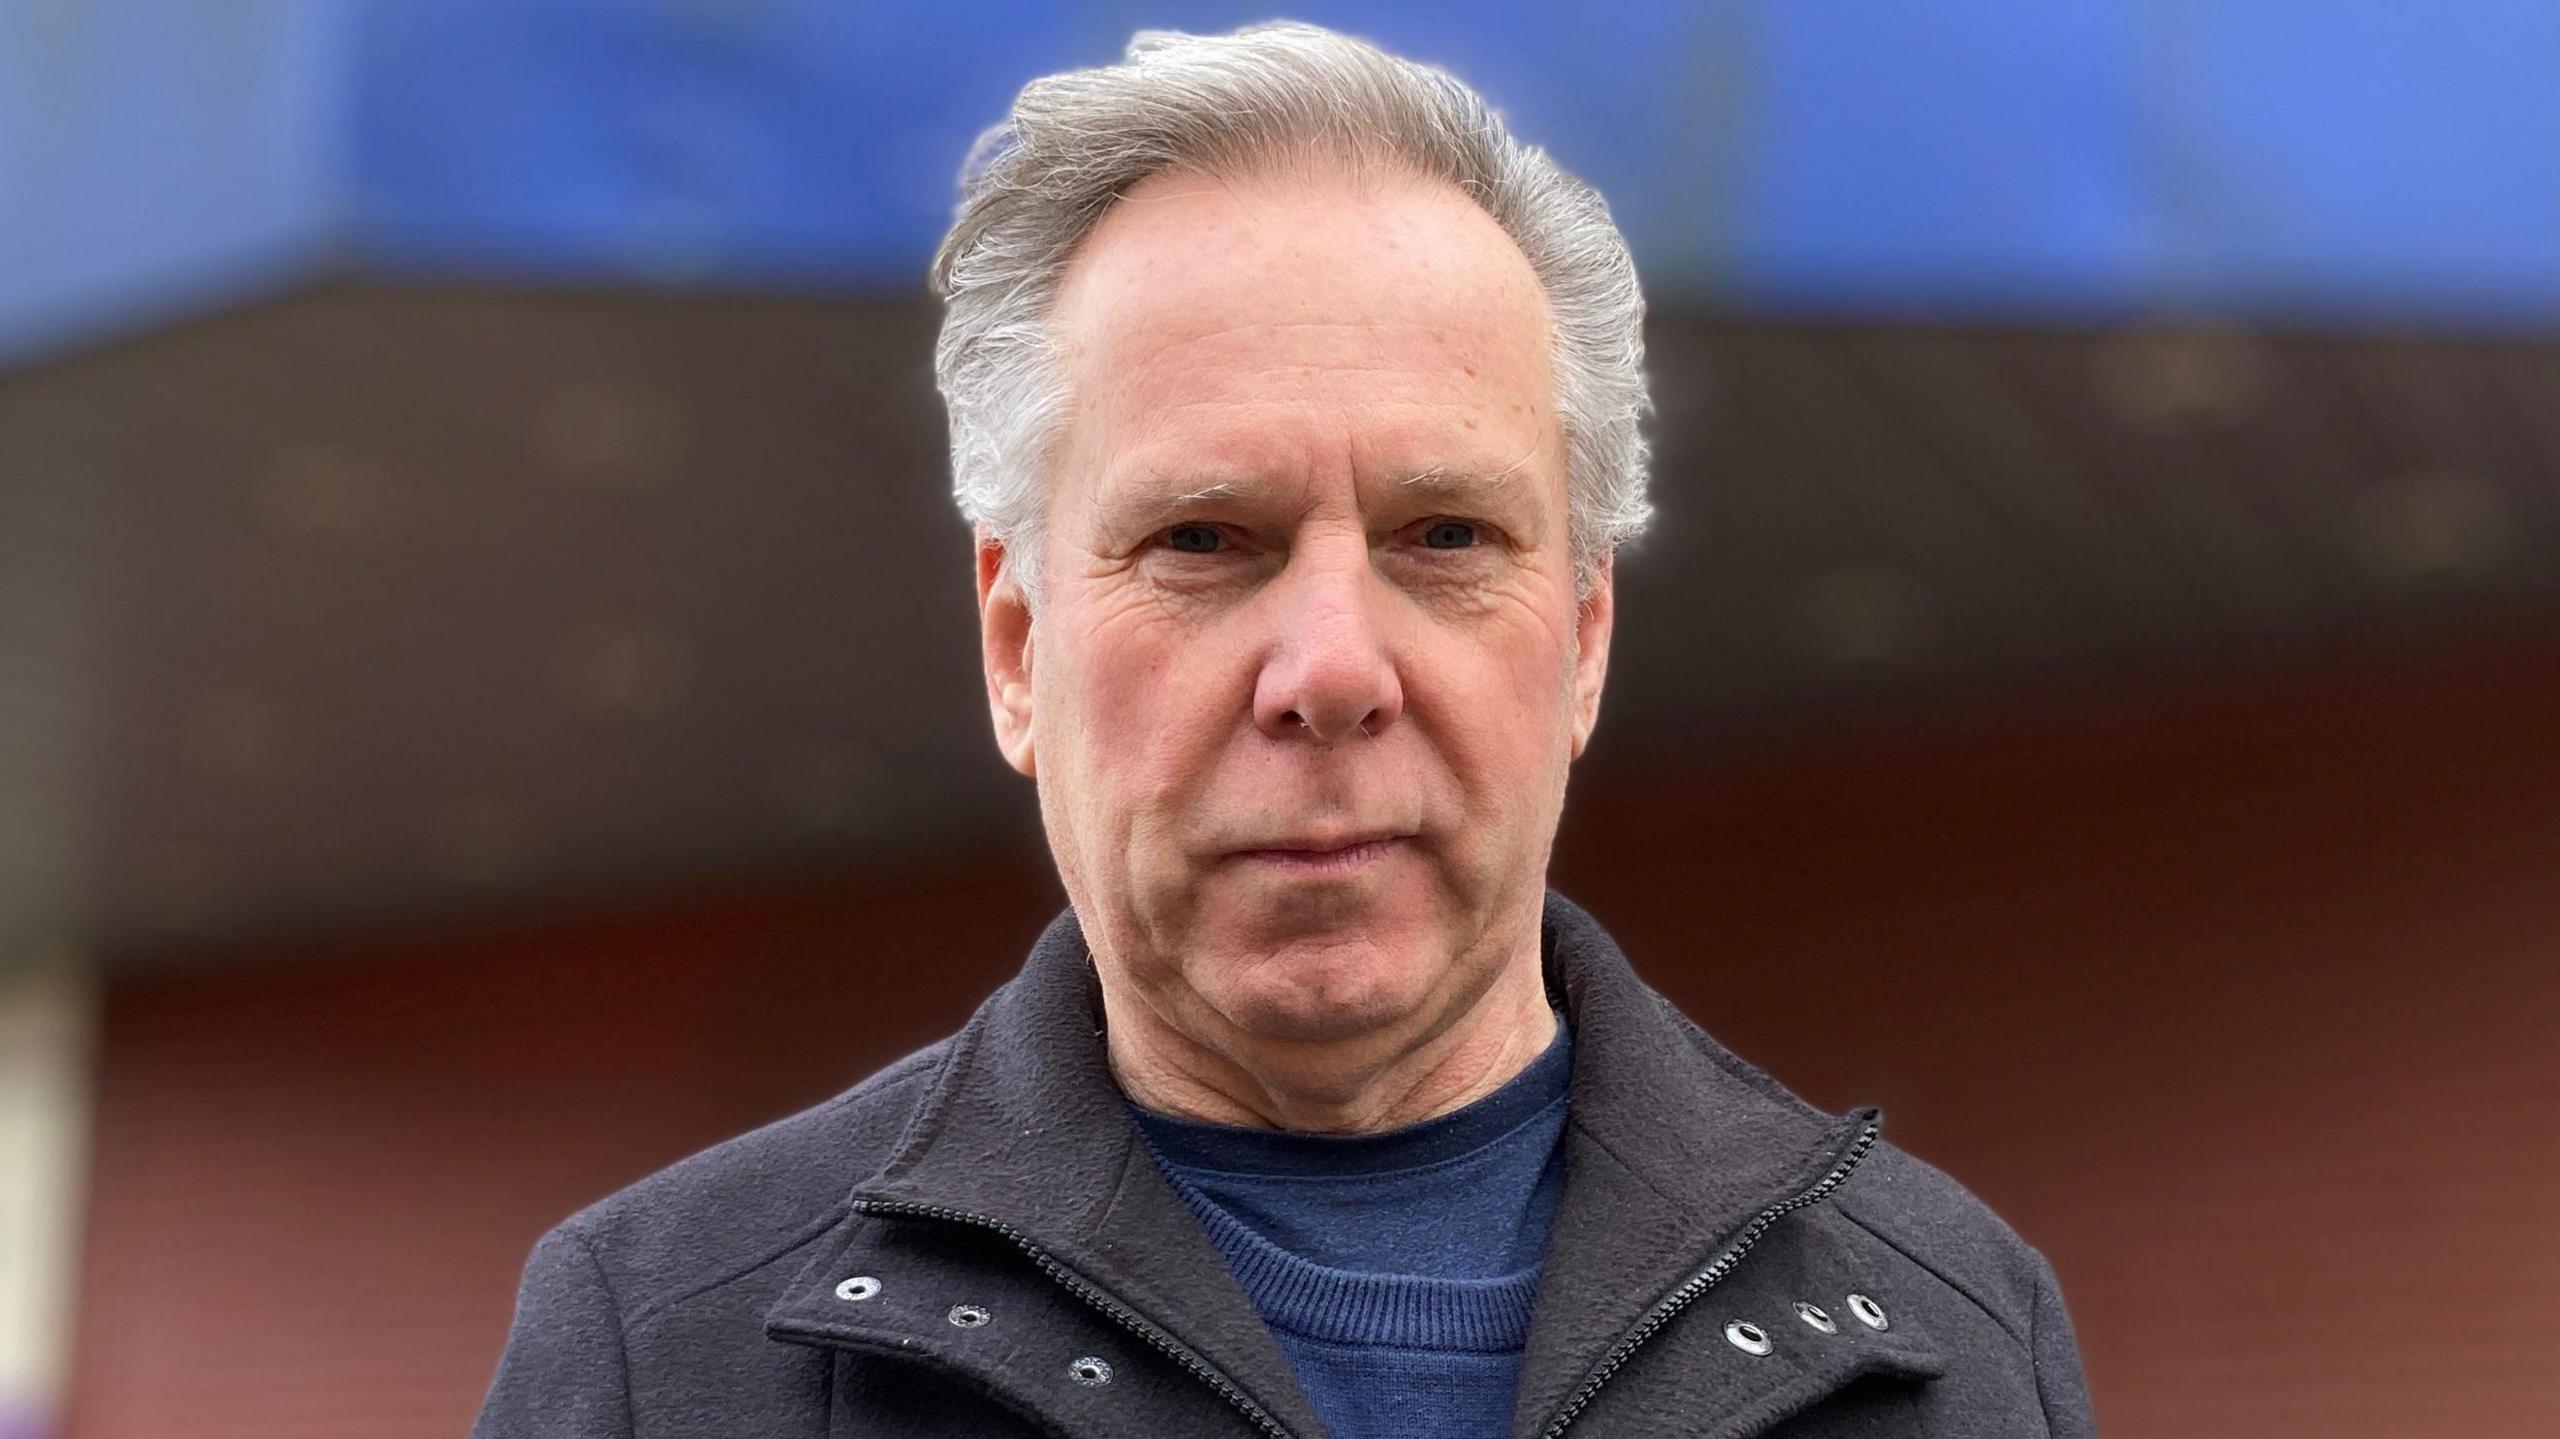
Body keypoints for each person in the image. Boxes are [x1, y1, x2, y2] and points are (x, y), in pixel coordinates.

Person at [474, 22, 2095, 1438]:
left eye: (1447, 537)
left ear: (1585, 637)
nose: (1330, 668)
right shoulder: (657, 1344)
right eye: (1204, 540)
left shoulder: (1955, 1341)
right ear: (1020, 648)